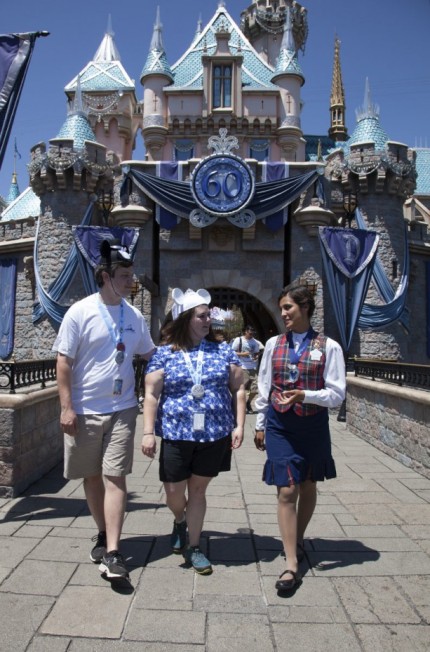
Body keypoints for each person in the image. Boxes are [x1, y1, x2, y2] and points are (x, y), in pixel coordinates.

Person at [54, 239, 155, 580]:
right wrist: (67, 408)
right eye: (124, 276)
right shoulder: (80, 312)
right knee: (92, 477)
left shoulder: (135, 315)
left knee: (115, 476)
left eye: (131, 275)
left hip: (123, 408)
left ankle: (113, 551)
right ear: (105, 277)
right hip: (84, 410)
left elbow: (150, 355)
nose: (131, 281)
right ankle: (102, 531)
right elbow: (63, 363)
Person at [142, 288, 245, 575]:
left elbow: (239, 388)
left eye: (209, 316)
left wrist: (239, 425)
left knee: (198, 491)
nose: (208, 320)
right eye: (202, 316)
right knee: (174, 492)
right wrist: (147, 432)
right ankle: (179, 520)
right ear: (185, 319)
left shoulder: (223, 350)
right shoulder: (164, 354)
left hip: (213, 434)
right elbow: (151, 394)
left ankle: (195, 546)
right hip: (175, 433)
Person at [254, 284, 345, 592]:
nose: (283, 313)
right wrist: (260, 424)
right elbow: (264, 386)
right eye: (281, 308)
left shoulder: (329, 346)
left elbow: (336, 394)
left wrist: (306, 395)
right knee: (286, 489)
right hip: (280, 425)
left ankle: (298, 537)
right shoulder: (273, 344)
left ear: (305, 307)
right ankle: (291, 563)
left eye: (288, 307)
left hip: (312, 426)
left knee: (307, 484)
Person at [231, 325, 261, 414]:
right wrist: (242, 354)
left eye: (252, 332)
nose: (251, 334)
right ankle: (239, 405)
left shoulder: (254, 341)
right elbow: (232, 352)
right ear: (245, 331)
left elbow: (256, 352)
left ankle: (248, 402)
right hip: (242, 366)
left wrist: (256, 356)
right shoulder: (239, 340)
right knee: (241, 388)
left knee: (255, 388)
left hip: (253, 367)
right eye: (250, 332)